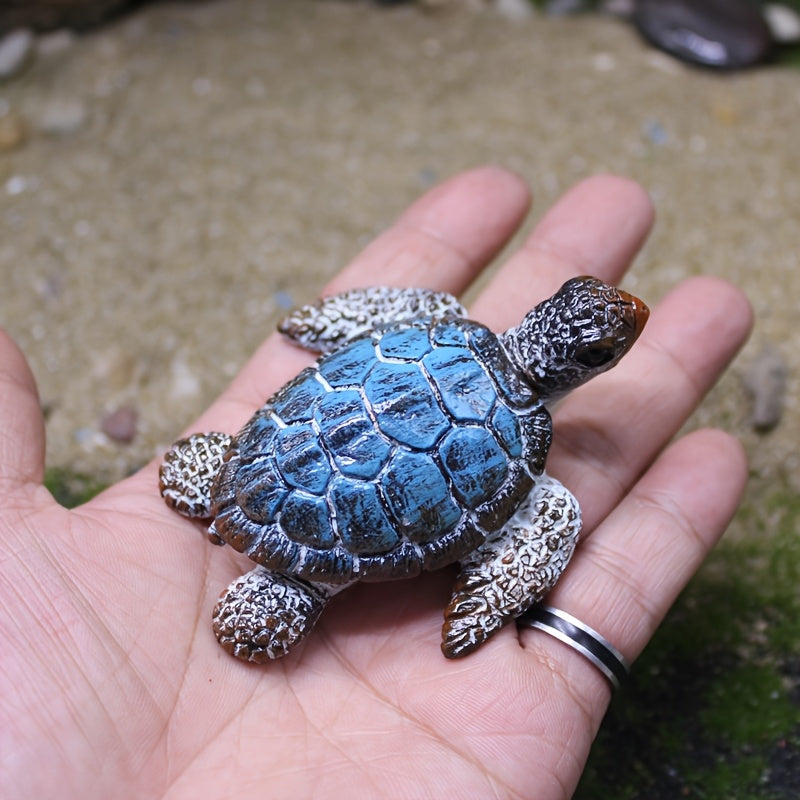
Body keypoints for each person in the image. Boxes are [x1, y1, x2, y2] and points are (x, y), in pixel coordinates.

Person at [0, 167, 752, 799]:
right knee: (550, 516)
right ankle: (296, 582)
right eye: (603, 339)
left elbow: (359, 324)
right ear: (583, 370)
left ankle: (237, 500)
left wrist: (320, 323)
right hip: (308, 546)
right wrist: (490, 602)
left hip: (252, 460)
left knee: (543, 513)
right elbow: (534, 531)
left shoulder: (438, 324)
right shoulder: (521, 441)